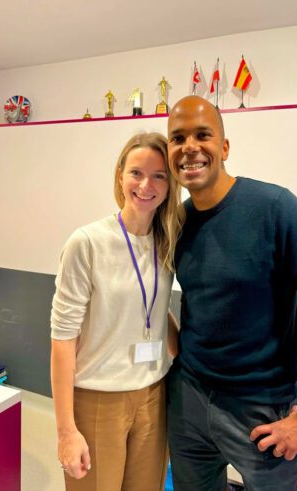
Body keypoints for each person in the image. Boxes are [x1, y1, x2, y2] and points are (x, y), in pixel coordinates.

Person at [166, 96, 297, 491]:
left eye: (203, 135)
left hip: (260, 412)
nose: (189, 147)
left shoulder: (274, 208)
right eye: (177, 137)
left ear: (224, 147)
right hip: (188, 400)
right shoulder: (178, 222)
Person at [50, 132, 183, 491]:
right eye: (136, 172)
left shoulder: (166, 242)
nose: (146, 184)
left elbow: (155, 309)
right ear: (120, 176)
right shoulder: (88, 242)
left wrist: (188, 359)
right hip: (98, 398)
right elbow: (62, 340)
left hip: (154, 395)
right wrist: (66, 431)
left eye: (159, 176)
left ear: (170, 185)